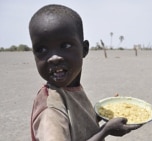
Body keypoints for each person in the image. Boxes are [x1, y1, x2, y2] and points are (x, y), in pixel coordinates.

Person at [29, 4, 141, 141]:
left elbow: (76, 123)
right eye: (42, 49)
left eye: (65, 46)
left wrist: (101, 116)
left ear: (84, 49)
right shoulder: (51, 112)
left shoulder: (69, 88)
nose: (54, 58)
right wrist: (105, 131)